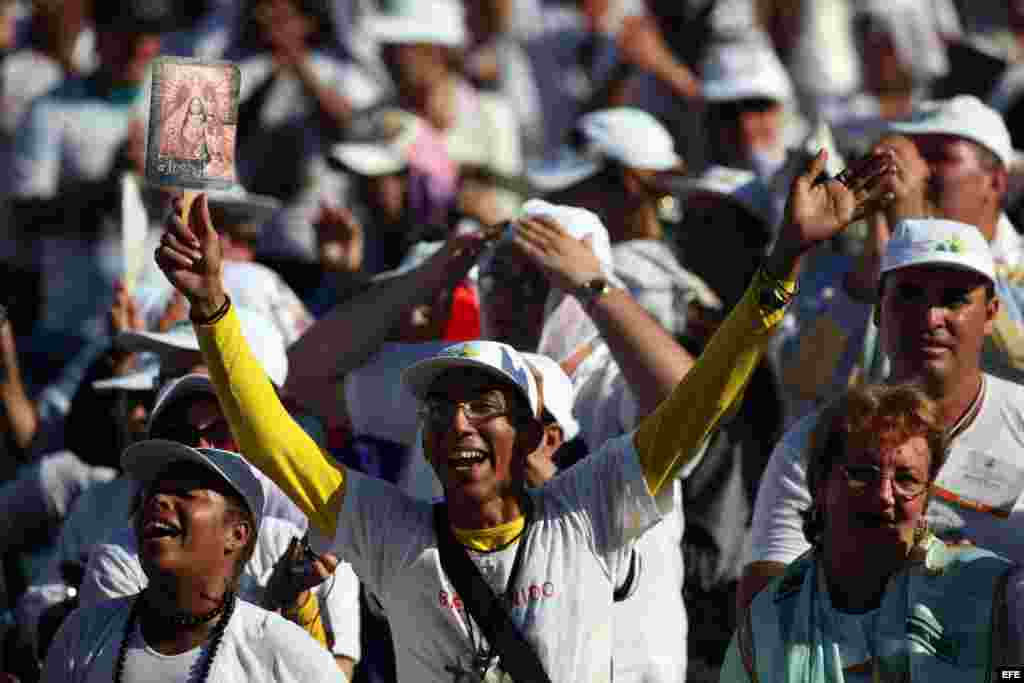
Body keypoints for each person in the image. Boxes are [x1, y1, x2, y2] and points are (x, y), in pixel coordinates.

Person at [151, 147, 895, 681]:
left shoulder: (590, 505)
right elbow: (270, 435)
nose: (461, 425)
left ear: (542, 435)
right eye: (442, 409)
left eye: (485, 407)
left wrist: (785, 260)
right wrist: (211, 308)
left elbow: (704, 398)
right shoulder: (392, 532)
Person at [739, 217, 1024, 612]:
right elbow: (764, 605)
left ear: (991, 313)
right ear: (878, 310)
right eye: (910, 295)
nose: (930, 318)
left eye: (955, 299)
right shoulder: (816, 440)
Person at [721, 382, 1024, 682]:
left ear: (926, 499)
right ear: (821, 486)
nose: (884, 495)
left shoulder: (988, 592)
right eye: (863, 474)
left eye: (906, 479)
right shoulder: (766, 625)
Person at [40, 438, 346, 682]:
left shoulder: (284, 652)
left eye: (184, 493)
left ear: (236, 535)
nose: (158, 500)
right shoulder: (82, 635)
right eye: (151, 493)